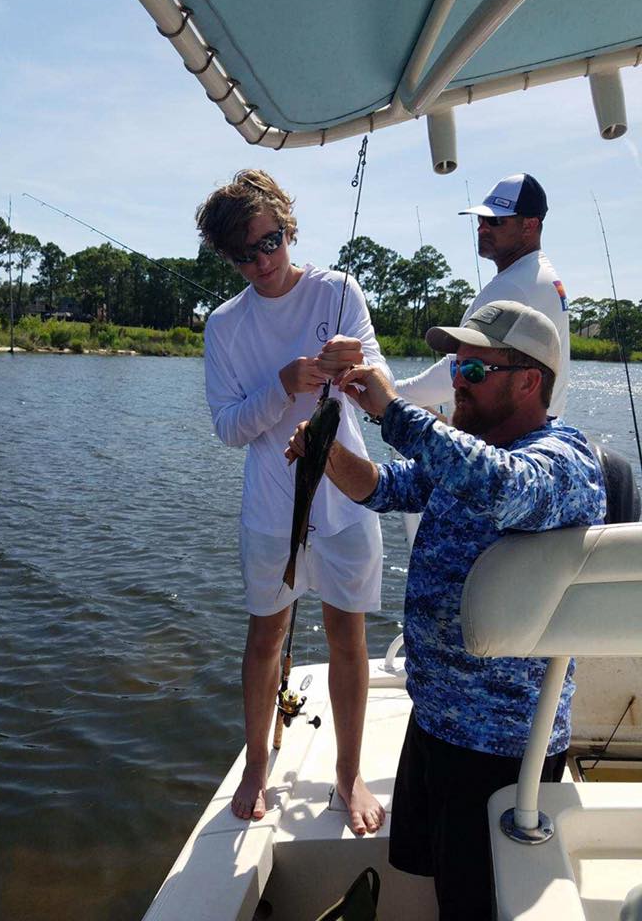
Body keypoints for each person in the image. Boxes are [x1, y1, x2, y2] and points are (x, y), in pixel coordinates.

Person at [286, 300, 606, 919]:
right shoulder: (467, 449)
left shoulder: (565, 463)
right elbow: (384, 488)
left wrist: (389, 408)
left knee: (475, 903)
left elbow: (504, 488)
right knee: (430, 880)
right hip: (433, 721)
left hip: (501, 748)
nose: (457, 380)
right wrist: (327, 452)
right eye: (456, 367)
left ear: (528, 380)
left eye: (475, 373)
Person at [197, 169, 392, 834]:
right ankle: (256, 763)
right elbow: (228, 427)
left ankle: (348, 772)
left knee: (348, 636)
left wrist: (358, 368)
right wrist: (282, 386)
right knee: (265, 636)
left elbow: (380, 389)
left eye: (270, 241)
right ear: (226, 257)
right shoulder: (225, 326)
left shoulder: (338, 292)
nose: (262, 261)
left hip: (345, 501)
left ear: (286, 223)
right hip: (271, 509)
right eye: (244, 254)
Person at [397, 173, 570, 418]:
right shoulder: (541, 275)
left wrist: (390, 393)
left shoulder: (514, 286)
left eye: (495, 221)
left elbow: (462, 368)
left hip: (505, 442)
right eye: (481, 219)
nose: (482, 228)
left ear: (529, 225)